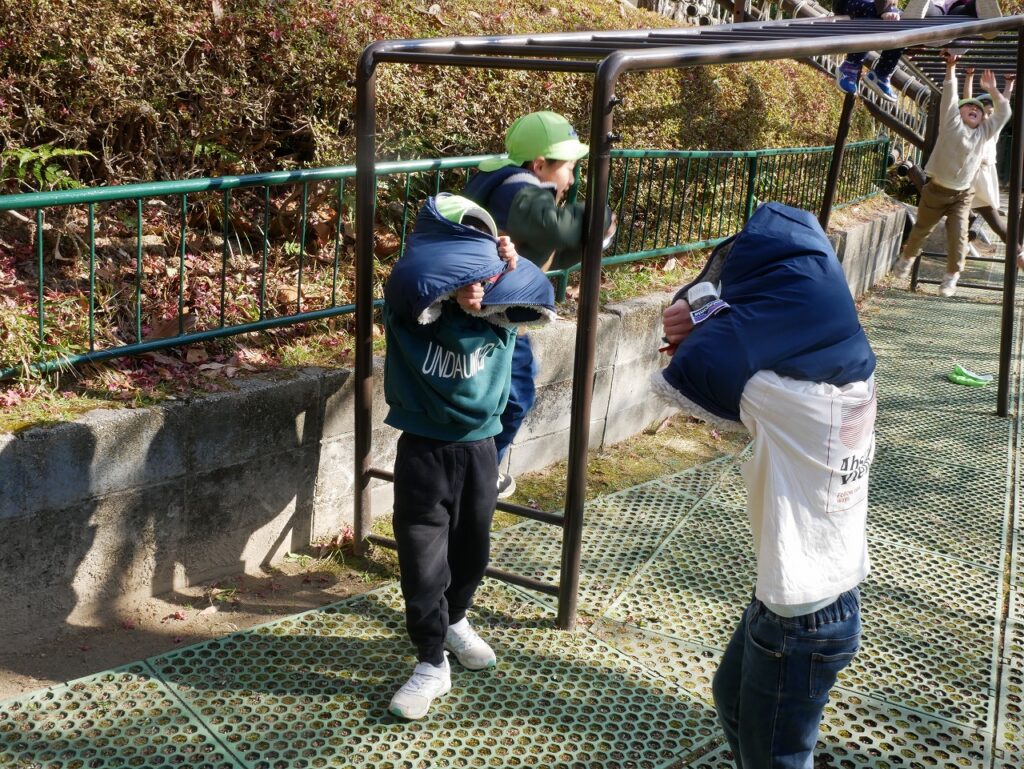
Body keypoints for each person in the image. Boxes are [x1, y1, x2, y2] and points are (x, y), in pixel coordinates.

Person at [651, 202, 877, 769]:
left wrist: (695, 315)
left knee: (776, 757)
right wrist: (705, 315)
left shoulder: (789, 402)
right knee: (733, 702)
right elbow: (746, 347)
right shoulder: (852, 379)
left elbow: (695, 370)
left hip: (800, 618)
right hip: (814, 598)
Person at [383, 193, 556, 720]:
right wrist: (452, 288)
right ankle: (431, 662)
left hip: (481, 449)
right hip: (423, 449)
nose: (473, 280)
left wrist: (504, 269)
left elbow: (530, 297)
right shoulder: (410, 307)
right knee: (422, 563)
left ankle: (456, 619)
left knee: (472, 552)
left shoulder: (501, 312)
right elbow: (410, 292)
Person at [463, 111, 613, 498]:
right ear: (540, 164)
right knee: (514, 397)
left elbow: (546, 252)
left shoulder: (506, 187)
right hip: (490, 317)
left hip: (496, 314)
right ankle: (479, 477)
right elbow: (556, 229)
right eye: (570, 169)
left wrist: (595, 238)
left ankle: (478, 473)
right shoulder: (519, 191)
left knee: (508, 394)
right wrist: (599, 214)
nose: (573, 180)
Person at [892, 54, 1011, 296]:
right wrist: (951, 67)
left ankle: (952, 275)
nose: (975, 109)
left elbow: (1003, 112)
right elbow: (950, 96)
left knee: (958, 236)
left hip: (962, 195)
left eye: (979, 109)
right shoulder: (951, 124)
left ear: (983, 119)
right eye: (970, 106)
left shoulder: (984, 134)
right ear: (959, 111)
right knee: (921, 229)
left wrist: (994, 90)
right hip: (935, 191)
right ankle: (907, 257)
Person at [962, 67, 1016, 249]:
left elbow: (1003, 105)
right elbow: (966, 100)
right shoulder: (970, 128)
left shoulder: (992, 131)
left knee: (996, 224)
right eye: (984, 112)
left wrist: (1009, 84)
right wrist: (969, 76)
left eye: (991, 113)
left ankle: (1018, 252)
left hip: (982, 179)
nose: (987, 116)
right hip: (966, 178)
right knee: (958, 214)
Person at [834, 1, 906, 102]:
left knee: (903, 19)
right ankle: (850, 66)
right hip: (849, 3)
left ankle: (881, 74)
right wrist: (885, 9)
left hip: (881, 5)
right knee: (874, 9)